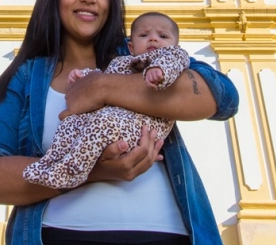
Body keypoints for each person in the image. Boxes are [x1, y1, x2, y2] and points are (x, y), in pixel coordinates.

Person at [0, 0, 239, 245]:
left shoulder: (141, 54)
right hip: (57, 235)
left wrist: (101, 87)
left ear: (111, 4)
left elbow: (223, 97)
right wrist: (91, 170)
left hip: (165, 234)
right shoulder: (26, 76)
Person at [23, 12, 190, 189]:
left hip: (143, 126)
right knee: (71, 122)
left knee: (103, 122)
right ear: (131, 48)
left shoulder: (173, 56)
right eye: (144, 35)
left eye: (162, 36)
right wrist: (83, 76)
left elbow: (174, 63)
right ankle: (51, 162)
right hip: (113, 118)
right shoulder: (121, 62)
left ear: (175, 45)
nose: (153, 40)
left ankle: (73, 171)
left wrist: (159, 70)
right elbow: (102, 78)